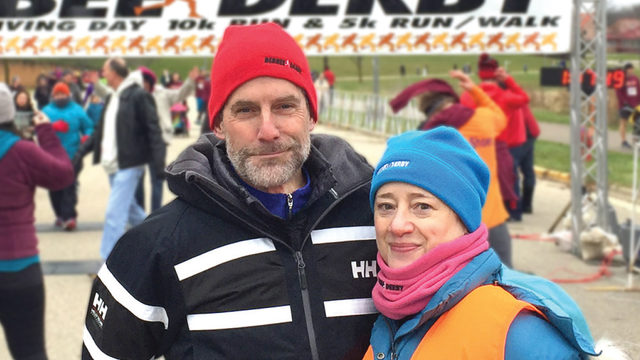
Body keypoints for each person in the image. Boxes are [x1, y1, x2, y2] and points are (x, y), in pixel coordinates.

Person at [82, 23, 379, 359]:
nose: (268, 130)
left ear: (311, 115)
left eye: (284, 106)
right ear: (219, 124)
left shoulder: (378, 220)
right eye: (246, 110)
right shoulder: (156, 246)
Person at [363, 127, 598, 359]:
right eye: (386, 206)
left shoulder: (516, 330)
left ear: (464, 220)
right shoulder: (389, 310)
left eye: (422, 207)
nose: (397, 225)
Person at [389, 71, 512, 267]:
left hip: (458, 223)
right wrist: (473, 89)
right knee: (507, 278)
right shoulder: (484, 119)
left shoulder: (428, 136)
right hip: (493, 215)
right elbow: (500, 117)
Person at [0, 83, 75, 360]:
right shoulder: (21, 152)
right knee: (30, 352)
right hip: (19, 269)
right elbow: (63, 174)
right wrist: (45, 131)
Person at [82, 57, 166, 260]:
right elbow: (100, 130)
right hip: (112, 164)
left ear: (114, 72)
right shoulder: (112, 97)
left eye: (104, 70)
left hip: (130, 164)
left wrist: (158, 164)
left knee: (114, 215)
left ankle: (107, 264)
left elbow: (153, 130)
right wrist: (79, 155)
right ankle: (160, 239)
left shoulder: (138, 95)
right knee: (132, 212)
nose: (102, 74)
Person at [461, 53, 529, 222]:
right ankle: (513, 212)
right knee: (508, 179)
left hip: (477, 144)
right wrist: (508, 80)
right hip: (500, 144)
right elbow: (524, 98)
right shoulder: (505, 96)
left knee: (479, 179)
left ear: (479, 73)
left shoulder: (469, 96)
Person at [136, 66, 197, 211]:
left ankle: (154, 213)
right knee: (137, 180)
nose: (142, 85)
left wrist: (189, 81)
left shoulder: (161, 93)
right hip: (137, 143)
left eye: (145, 81)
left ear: (150, 82)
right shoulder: (133, 96)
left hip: (158, 142)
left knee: (157, 178)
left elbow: (180, 95)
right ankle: (139, 215)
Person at [42, 82, 94, 230]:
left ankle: (69, 217)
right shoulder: (46, 111)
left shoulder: (77, 110)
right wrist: (51, 127)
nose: (60, 97)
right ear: (53, 96)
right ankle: (59, 214)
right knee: (54, 188)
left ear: (68, 95)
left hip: (73, 155)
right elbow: (36, 128)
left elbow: (88, 126)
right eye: (57, 94)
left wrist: (86, 137)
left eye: (62, 94)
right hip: (51, 156)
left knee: (69, 186)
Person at [615, 62, 640, 149]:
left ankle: (636, 141)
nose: (630, 70)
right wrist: (624, 102)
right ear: (625, 70)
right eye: (629, 69)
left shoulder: (635, 79)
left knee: (637, 123)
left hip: (635, 105)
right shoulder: (621, 79)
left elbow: (639, 90)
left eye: (631, 69)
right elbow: (618, 92)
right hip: (624, 106)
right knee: (623, 123)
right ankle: (623, 141)